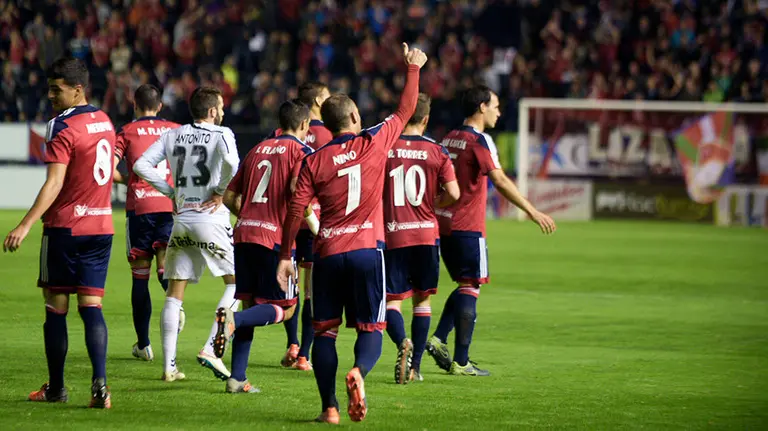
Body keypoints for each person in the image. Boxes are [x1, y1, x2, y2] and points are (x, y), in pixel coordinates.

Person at [275, 43, 427, 424]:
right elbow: (405, 110)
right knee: (370, 327)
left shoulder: (314, 159)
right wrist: (413, 68)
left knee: (325, 334)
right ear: (355, 116)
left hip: (326, 253)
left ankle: (329, 409)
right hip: (366, 251)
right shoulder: (373, 141)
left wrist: (284, 255)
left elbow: (296, 207)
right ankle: (359, 371)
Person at [3, 57, 115, 408]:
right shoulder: (105, 120)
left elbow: (54, 183)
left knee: (56, 306)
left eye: (57, 89)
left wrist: (25, 223)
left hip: (66, 227)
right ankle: (100, 388)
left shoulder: (61, 126)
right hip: (102, 226)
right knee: (92, 306)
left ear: (77, 89)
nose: (51, 95)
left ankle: (57, 389)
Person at [426, 85, 557, 376]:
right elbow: (498, 180)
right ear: (482, 107)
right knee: (471, 286)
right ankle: (461, 361)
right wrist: (532, 211)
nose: (499, 111)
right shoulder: (480, 140)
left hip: (443, 223)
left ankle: (438, 338)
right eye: (495, 105)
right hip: (468, 226)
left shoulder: (450, 137)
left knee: (464, 285)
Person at [133, 87, 240, 382]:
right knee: (236, 285)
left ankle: (168, 367)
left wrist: (170, 190)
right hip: (211, 219)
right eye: (220, 107)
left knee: (174, 294)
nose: (222, 112)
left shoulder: (172, 135)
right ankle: (210, 348)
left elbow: (140, 165)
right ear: (211, 112)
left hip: (181, 219)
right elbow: (232, 164)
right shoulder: (222, 134)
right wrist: (219, 191)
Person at [212, 99, 314, 393]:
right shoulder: (302, 152)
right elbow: (297, 190)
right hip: (274, 240)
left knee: (251, 301)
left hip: (244, 234)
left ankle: (237, 378)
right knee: (288, 309)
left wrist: (250, 217)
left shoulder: (257, 149)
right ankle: (234, 321)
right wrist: (311, 219)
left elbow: (230, 197)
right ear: (305, 125)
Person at [382, 93, 460, 384]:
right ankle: (415, 369)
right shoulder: (437, 151)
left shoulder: (386, 146)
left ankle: (403, 340)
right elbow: (454, 193)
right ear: (426, 119)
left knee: (392, 303)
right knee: (422, 301)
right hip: (426, 234)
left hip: (393, 233)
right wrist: (432, 202)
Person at [113, 84, 181, 361]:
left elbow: (107, 167)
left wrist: (132, 180)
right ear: (160, 106)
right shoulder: (177, 130)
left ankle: (143, 345)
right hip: (170, 205)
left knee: (139, 276)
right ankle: (178, 307)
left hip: (140, 207)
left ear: (134, 105)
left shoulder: (127, 131)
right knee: (165, 265)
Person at [276, 82, 332, 371]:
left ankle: (292, 343)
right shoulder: (327, 133)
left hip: (288, 219)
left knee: (290, 285)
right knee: (310, 290)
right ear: (318, 102)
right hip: (314, 219)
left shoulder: (280, 135)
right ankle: (304, 356)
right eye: (326, 95)